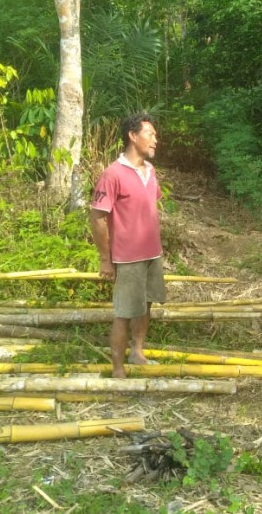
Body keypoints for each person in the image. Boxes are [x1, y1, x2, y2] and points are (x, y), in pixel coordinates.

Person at [90, 112, 166, 379]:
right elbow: (98, 217)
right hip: (128, 258)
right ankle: (118, 369)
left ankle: (138, 352)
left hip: (152, 253)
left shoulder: (150, 171)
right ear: (133, 136)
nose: (155, 140)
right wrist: (104, 258)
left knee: (146, 305)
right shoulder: (112, 174)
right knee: (124, 313)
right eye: (150, 134)